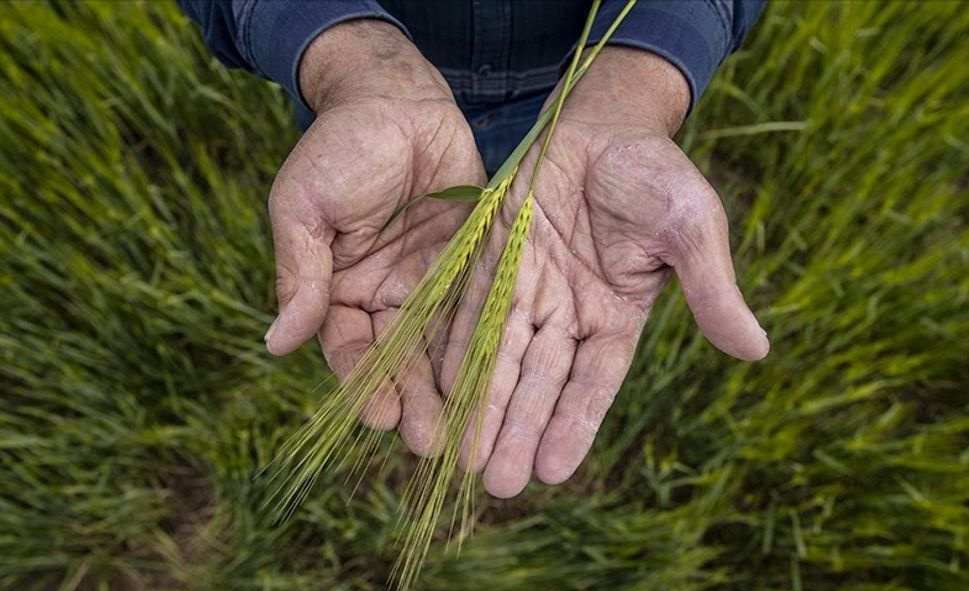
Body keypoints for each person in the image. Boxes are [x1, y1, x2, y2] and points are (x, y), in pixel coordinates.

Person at [179, 0, 770, 499]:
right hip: (362, 93)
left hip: (579, 87)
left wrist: (635, 85)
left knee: (517, 256)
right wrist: (347, 59)